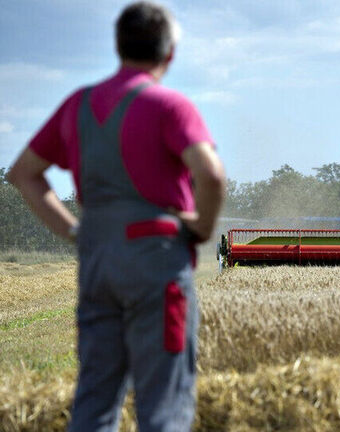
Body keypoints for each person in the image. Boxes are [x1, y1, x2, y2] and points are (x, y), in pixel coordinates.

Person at [8, 2, 225, 431]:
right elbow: (212, 176)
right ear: (170, 54)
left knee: (95, 397)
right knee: (163, 401)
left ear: (118, 46)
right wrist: (200, 227)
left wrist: (74, 231)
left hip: (98, 259)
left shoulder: (78, 104)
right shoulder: (170, 106)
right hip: (157, 260)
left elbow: (23, 174)